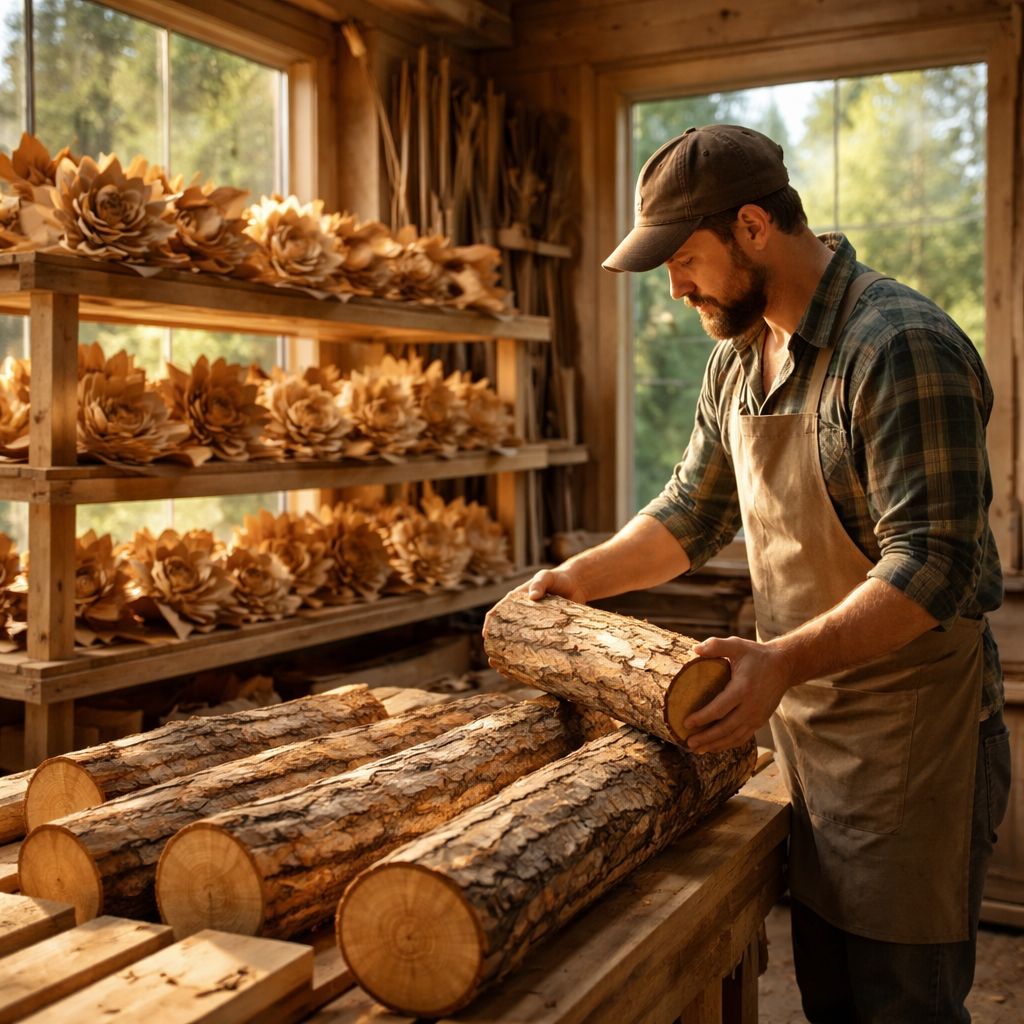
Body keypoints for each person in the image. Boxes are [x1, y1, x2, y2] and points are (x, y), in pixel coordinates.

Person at [500, 125, 1012, 1023]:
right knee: (832, 998)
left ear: (750, 227)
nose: (676, 287)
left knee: (903, 1006)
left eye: (686, 260)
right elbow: (691, 514)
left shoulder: (896, 346)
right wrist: (573, 581)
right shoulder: (740, 357)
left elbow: (933, 565)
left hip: (911, 744)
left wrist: (778, 662)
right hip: (810, 730)